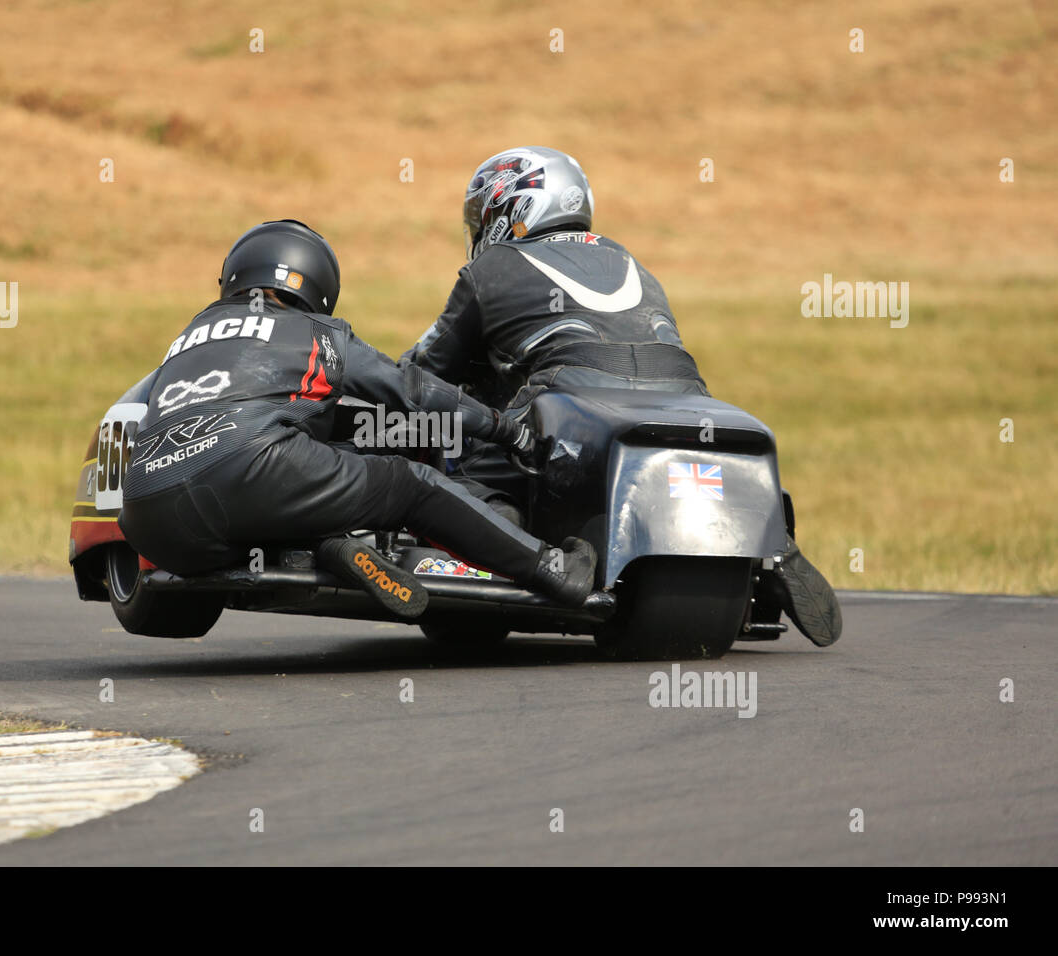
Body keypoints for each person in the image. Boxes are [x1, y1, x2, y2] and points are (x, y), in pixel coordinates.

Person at [401, 147, 842, 645]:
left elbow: (423, 368)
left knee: (461, 431)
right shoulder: (628, 259)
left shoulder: (495, 268)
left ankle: (490, 517)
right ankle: (768, 534)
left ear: (511, 207)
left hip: (572, 389)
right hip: (683, 393)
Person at [118, 219, 597, 618]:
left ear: (234, 276)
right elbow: (411, 390)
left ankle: (329, 546)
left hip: (149, 519)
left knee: (295, 482)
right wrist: (502, 427)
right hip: (251, 470)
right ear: (319, 287)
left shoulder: (186, 339)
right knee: (411, 486)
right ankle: (551, 568)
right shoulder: (315, 331)